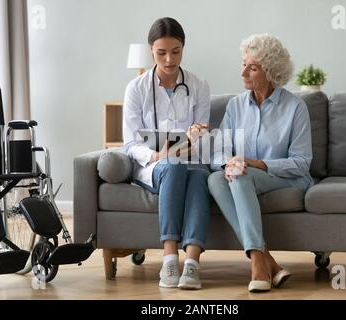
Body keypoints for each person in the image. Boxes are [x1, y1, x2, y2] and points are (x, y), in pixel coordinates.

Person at [208, 34, 314, 292]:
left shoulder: (295, 107)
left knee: (240, 174)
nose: (243, 72)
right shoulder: (235, 106)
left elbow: (301, 163)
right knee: (215, 178)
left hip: (285, 180)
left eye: (252, 67)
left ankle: (258, 261)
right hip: (244, 176)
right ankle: (266, 260)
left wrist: (255, 163)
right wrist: (229, 164)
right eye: (243, 64)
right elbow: (218, 153)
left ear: (272, 72)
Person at [123, 17, 211, 290]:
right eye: (162, 52)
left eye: (175, 52)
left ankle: (192, 265)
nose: (169, 59)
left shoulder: (198, 86)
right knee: (173, 166)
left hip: (191, 160)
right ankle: (170, 258)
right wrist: (157, 157)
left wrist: (197, 137)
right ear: (151, 50)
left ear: (183, 48)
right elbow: (130, 143)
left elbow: (203, 140)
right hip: (155, 166)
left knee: (198, 177)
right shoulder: (136, 89)